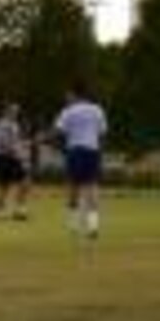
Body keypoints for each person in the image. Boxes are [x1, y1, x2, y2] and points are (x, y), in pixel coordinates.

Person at [51, 82, 109, 240]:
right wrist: (100, 152)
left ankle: (74, 227)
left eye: (67, 95)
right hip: (92, 151)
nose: (66, 98)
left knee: (73, 188)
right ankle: (93, 227)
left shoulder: (68, 111)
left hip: (75, 151)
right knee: (92, 187)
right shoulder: (98, 109)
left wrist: (43, 139)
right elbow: (103, 134)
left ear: (74, 94)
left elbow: (57, 132)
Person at [0, 103, 29, 221]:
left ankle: (18, 209)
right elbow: (2, 143)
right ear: (6, 112)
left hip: (14, 158)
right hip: (4, 158)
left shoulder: (15, 125)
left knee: (24, 183)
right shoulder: (2, 125)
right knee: (4, 187)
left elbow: (15, 142)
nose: (16, 113)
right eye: (13, 111)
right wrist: (14, 150)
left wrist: (21, 148)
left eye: (17, 111)